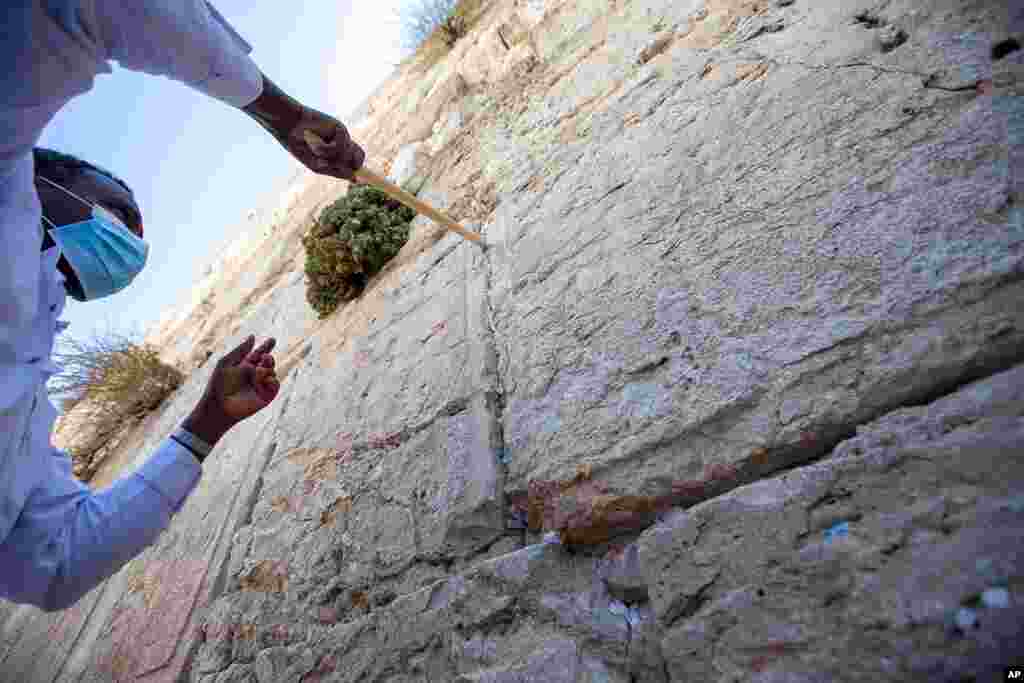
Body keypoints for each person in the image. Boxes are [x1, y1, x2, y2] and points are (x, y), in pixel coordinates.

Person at [0, 1, 366, 611]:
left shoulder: (20, 393)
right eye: (122, 214)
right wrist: (284, 115)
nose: (121, 242)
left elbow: (56, 562)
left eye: (68, 280)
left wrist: (206, 425)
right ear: (57, 173)